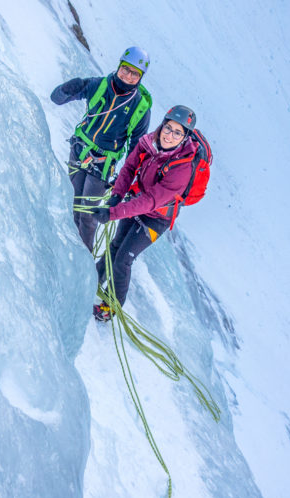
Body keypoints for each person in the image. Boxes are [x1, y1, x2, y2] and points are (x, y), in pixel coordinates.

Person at [89, 105, 199, 320]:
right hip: (135, 202)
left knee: (123, 260)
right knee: (114, 247)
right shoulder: (149, 143)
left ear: (185, 137)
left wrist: (113, 213)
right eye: (168, 128)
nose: (170, 135)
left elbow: (151, 201)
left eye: (178, 132)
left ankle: (111, 306)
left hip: (157, 218)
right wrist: (115, 198)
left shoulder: (183, 168)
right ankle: (90, 281)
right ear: (162, 125)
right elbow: (129, 168)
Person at [50, 47, 152, 252]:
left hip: (103, 165)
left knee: (88, 217)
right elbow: (57, 99)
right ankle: (64, 252)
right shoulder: (98, 85)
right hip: (79, 152)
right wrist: (67, 89)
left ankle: (82, 262)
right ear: (119, 66)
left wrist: (124, 181)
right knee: (72, 204)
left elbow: (136, 150)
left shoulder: (139, 108)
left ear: (140, 78)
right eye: (126, 69)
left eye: (135, 73)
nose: (128, 76)